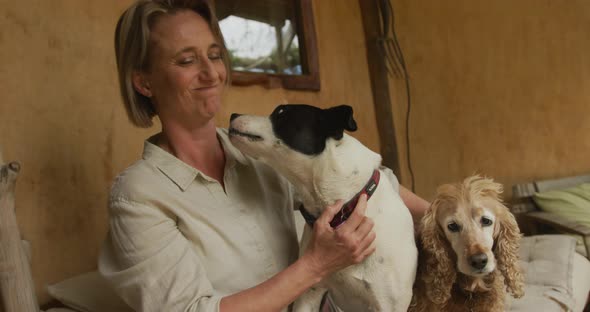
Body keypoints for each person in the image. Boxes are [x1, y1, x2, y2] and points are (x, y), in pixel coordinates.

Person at [98, 1, 430, 311]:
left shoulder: (256, 149)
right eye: (186, 60)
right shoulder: (138, 196)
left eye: (214, 55)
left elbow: (357, 183)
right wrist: (316, 265)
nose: (212, 73)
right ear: (144, 82)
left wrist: (448, 220)